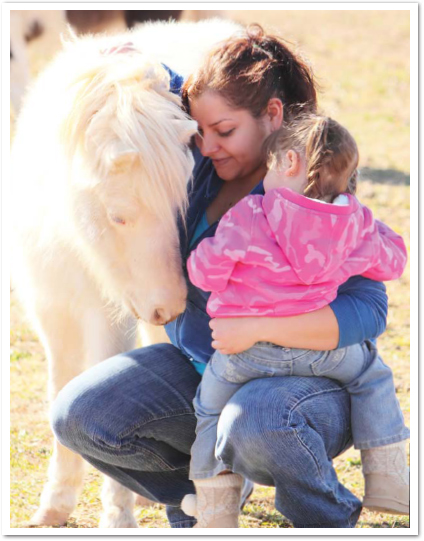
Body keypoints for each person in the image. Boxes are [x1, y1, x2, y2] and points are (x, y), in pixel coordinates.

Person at [51, 25, 399, 528]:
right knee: (80, 415)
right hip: (205, 373)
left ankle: (327, 516)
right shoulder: (203, 167)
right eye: (201, 132)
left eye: (225, 131)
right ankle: (200, 498)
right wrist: (125, 63)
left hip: (305, 384)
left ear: (272, 116)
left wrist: (259, 330)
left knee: (252, 421)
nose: (209, 145)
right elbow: (175, 92)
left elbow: (369, 310)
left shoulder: (317, 185)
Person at [181, 114, 409, 527]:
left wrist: (206, 258)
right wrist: (367, 226)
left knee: (209, 411)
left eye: (270, 167)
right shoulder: (353, 223)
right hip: (325, 354)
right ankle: (388, 480)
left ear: (288, 162)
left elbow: (204, 273)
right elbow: (394, 260)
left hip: (244, 354)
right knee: (373, 377)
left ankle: (215, 509)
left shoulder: (250, 215)